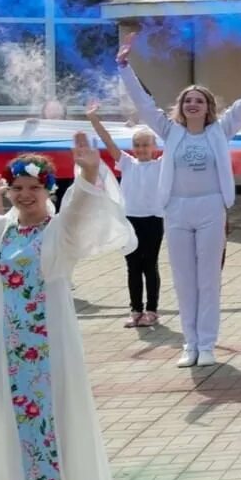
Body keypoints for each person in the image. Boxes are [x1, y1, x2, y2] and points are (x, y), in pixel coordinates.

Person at [0, 138, 134, 480]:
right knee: (15, 421)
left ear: (47, 190)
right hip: (8, 344)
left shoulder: (59, 231)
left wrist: (89, 170)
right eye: (17, 188)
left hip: (48, 343)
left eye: (33, 188)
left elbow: (84, 209)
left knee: (48, 420)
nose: (24, 195)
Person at [118, 35, 241, 368]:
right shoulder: (169, 131)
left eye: (199, 100)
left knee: (208, 280)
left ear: (208, 106)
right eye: (188, 101)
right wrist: (125, 67)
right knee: (184, 280)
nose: (193, 105)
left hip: (211, 208)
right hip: (176, 210)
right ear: (181, 107)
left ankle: (208, 344)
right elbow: (143, 103)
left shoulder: (221, 130)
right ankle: (190, 344)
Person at [85, 103, 165, 328]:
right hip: (129, 220)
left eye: (145, 145)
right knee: (132, 266)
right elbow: (107, 141)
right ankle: (135, 309)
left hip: (153, 219)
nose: (141, 149)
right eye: (137, 145)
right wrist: (93, 119)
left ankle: (152, 310)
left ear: (154, 146)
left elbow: (177, 142)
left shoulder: (162, 165)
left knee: (150, 265)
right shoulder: (127, 163)